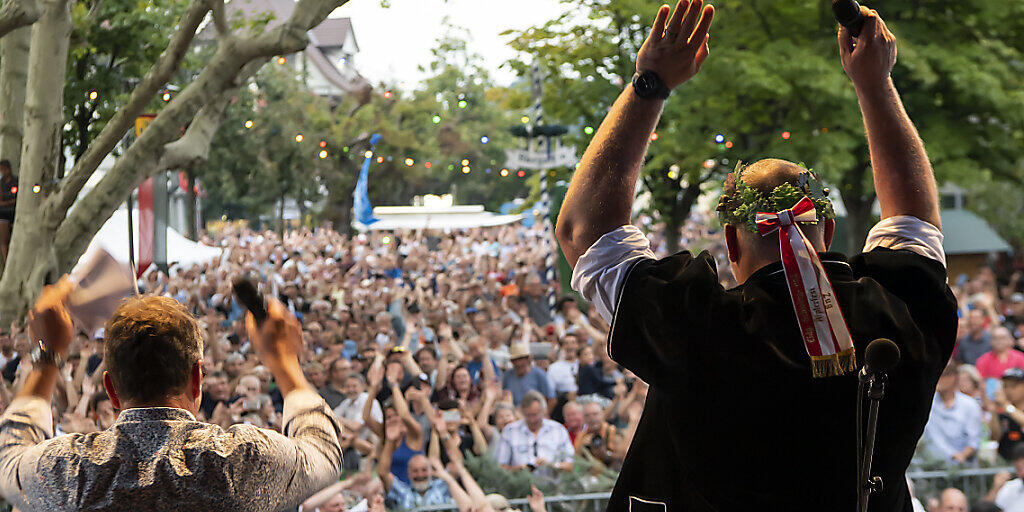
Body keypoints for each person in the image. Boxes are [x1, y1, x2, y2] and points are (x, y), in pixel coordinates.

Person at [556, 2, 956, 510]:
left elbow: (582, 230)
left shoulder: (697, 328)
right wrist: (875, 83)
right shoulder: (898, 320)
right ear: (826, 230)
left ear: (730, 242)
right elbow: (915, 220)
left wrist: (650, 80)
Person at [0, 281, 343, 510]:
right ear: (197, 379)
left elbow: (8, 456)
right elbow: (323, 452)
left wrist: (47, 358)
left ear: (111, 390)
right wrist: (283, 362)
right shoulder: (244, 462)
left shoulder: (68, 473)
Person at [492, 390, 574, 472]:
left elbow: (572, 464)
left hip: (552, 481)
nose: (532, 420)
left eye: (535, 415)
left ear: (544, 411)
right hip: (520, 482)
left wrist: (553, 465)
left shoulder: (558, 430)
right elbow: (499, 466)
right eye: (528, 415)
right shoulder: (510, 431)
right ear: (522, 412)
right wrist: (517, 469)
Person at [922, 363, 983, 465]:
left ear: (954, 377)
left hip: (963, 466)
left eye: (943, 375)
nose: (938, 379)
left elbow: (974, 440)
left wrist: (961, 456)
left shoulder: (970, 405)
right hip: (931, 465)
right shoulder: (927, 404)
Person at [990, 368, 1024, 462]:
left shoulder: (1007, 408)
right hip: (1006, 463)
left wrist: (1006, 406)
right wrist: (993, 410)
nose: (1008, 391)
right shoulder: (1003, 412)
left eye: (1013, 386)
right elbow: (995, 436)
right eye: (1005, 386)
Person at [986, 444, 1024, 512]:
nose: (1022, 473)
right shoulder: (1010, 487)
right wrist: (995, 488)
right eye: (1018, 469)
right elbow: (984, 509)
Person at [0, 159, 16, 264]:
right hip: (3, 213)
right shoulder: (1, 183)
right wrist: (11, 201)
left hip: (16, 212)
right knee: (4, 239)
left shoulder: (17, 181)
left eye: (3, 170)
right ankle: (7, 264)